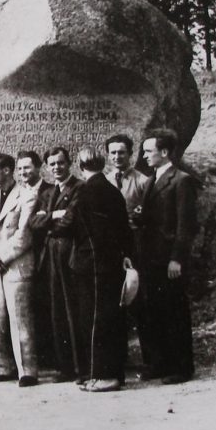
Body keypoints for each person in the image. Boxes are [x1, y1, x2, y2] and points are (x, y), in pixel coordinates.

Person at [72, 146, 137, 392]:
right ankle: (114, 373)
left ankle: (102, 375)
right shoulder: (112, 190)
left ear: (80, 166)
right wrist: (126, 255)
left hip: (93, 264)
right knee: (112, 318)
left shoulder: (86, 192)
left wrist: (53, 218)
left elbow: (72, 225)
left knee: (96, 321)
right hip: (111, 262)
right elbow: (123, 228)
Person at [137, 129, 199, 385]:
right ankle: (160, 364)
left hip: (168, 259)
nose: (144, 156)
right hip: (151, 258)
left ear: (164, 152)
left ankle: (181, 367)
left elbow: (186, 225)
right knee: (155, 311)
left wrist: (177, 259)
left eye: (148, 151)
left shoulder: (181, 180)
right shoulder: (153, 178)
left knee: (175, 313)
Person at [0, 153, 39, 387]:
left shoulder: (27, 196)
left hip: (16, 265)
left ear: (7, 170)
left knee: (20, 319)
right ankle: (4, 366)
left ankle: (27, 370)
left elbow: (24, 234)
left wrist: (1, 256)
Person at [29, 147, 89, 383]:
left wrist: (50, 219)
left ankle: (81, 367)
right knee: (57, 311)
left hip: (70, 252)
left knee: (74, 308)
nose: (57, 168)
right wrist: (54, 215)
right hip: (51, 254)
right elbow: (33, 222)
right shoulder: (47, 193)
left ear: (69, 163)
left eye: (61, 163)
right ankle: (65, 368)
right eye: (52, 164)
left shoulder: (80, 188)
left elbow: (71, 220)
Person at [104, 133, 154, 373]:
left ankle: (150, 359)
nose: (117, 157)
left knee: (140, 302)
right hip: (111, 246)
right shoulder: (103, 181)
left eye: (121, 152)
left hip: (136, 245)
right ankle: (119, 358)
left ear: (130, 154)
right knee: (115, 303)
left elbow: (148, 215)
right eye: (113, 153)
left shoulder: (143, 181)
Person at [16, 149, 55, 366]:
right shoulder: (17, 193)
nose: (23, 172)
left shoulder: (50, 191)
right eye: (20, 168)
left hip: (44, 254)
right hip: (22, 258)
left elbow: (48, 222)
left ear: (39, 168)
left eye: (27, 167)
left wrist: (45, 218)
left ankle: (49, 357)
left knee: (45, 304)